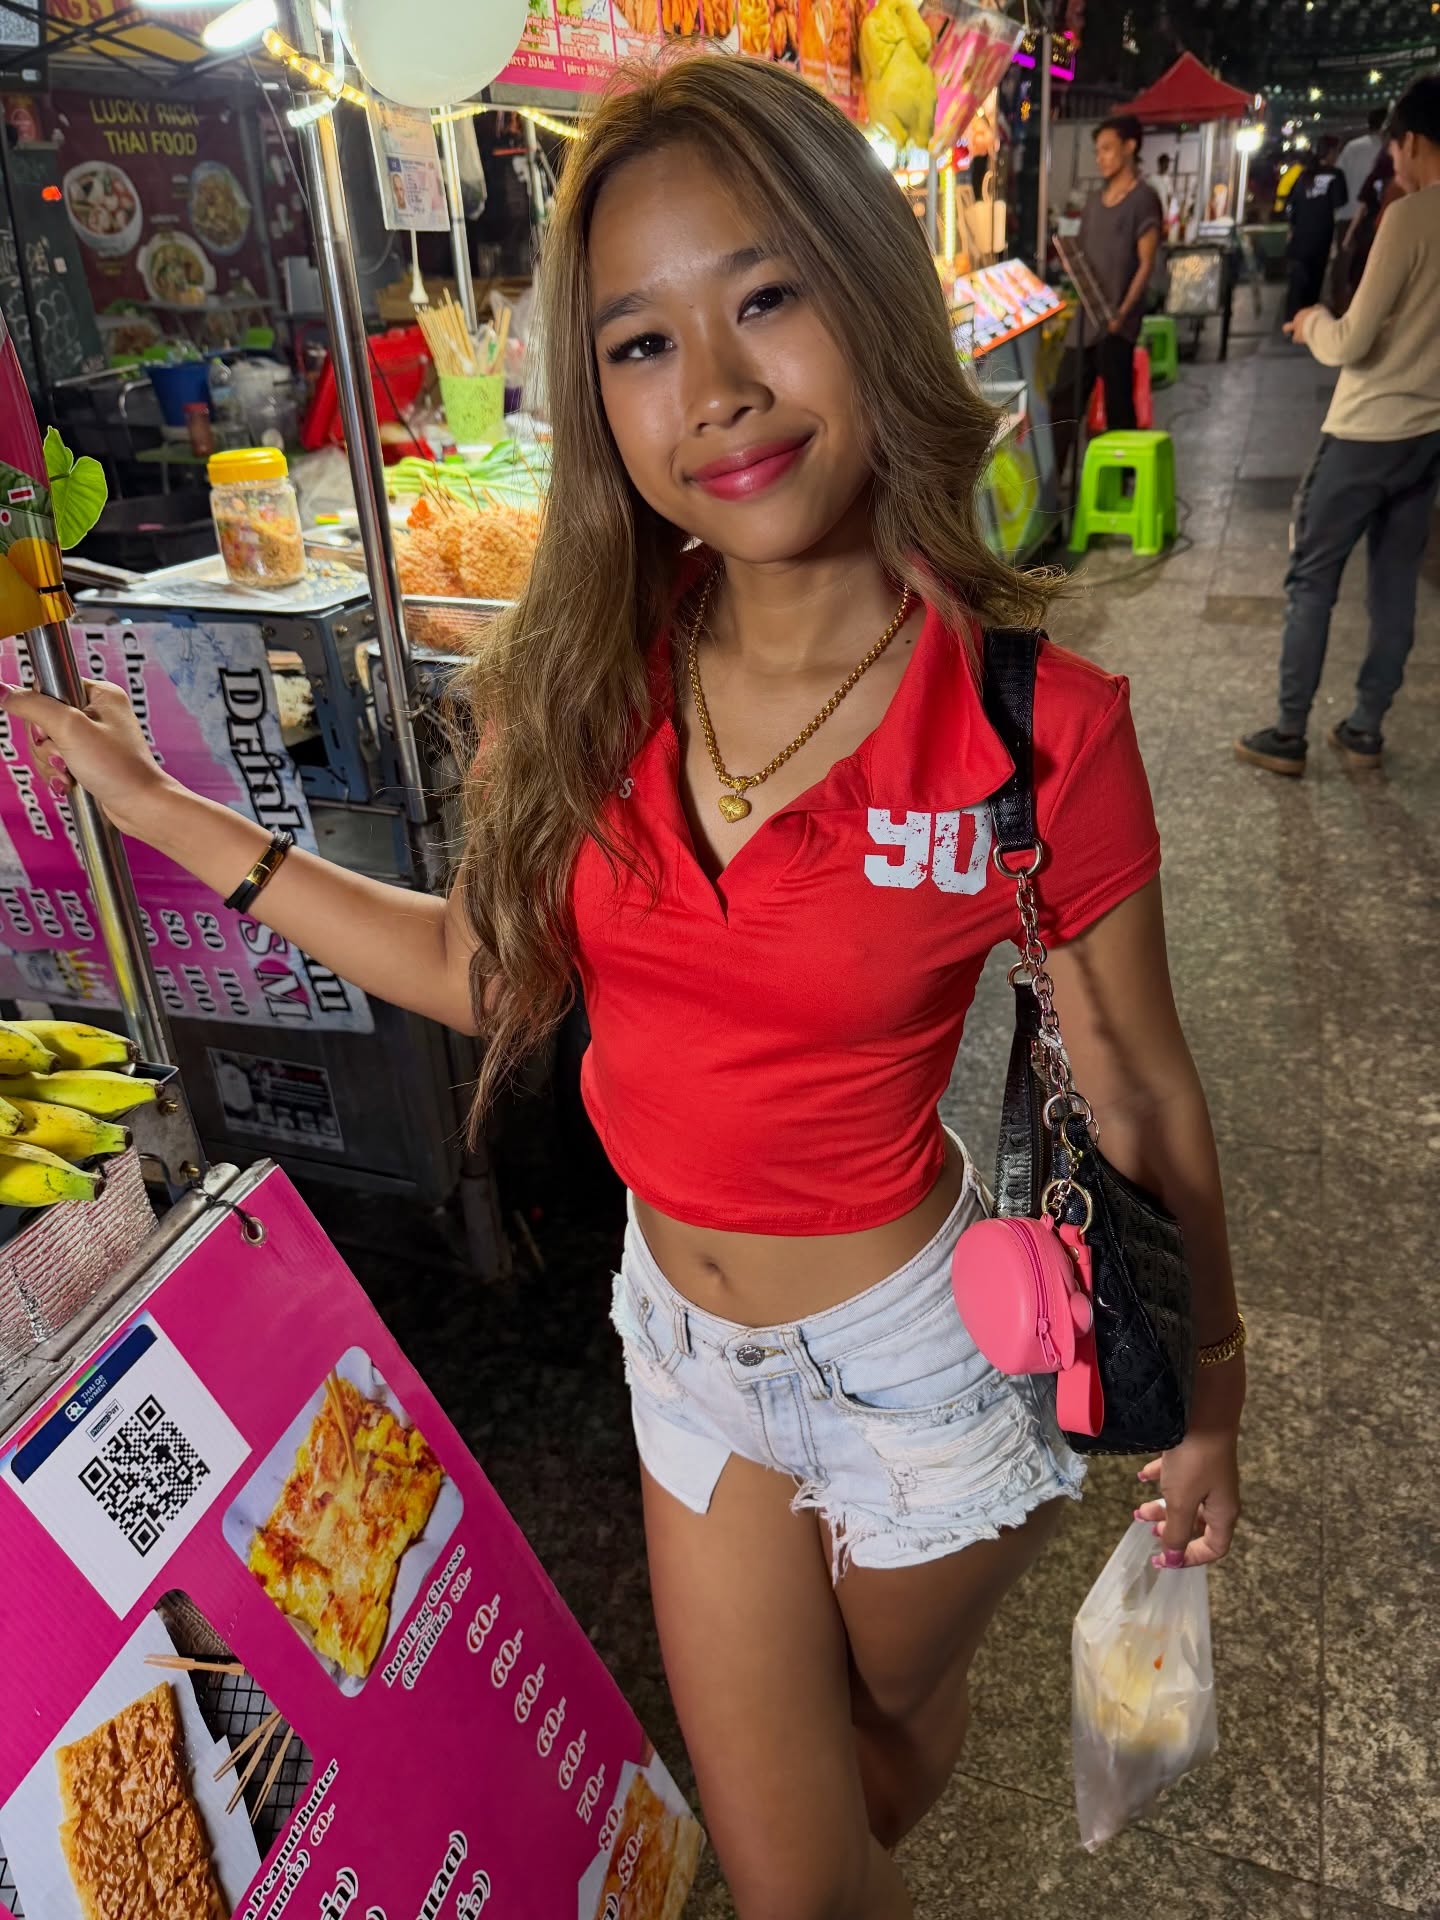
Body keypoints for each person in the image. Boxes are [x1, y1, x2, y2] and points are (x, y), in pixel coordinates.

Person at [8, 58, 1244, 1919]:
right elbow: (480, 968)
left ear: (870, 297)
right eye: (641, 343)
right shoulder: (585, 674)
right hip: (680, 1349)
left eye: (768, 297)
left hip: (922, 1374)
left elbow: (1137, 1086)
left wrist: (1215, 1396)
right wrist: (175, 815)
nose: (716, 390)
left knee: (881, 1749)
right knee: (790, 1871)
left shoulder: (1034, 726)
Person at [1238, 73, 1440, 777]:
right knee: (1394, 584)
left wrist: (1312, 322)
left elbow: (1352, 341)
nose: (1394, 162)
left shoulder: (1409, 218)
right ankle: (1365, 729)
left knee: (1313, 579)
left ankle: (1289, 732)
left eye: (1396, 149)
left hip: (1365, 432)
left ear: (1415, 141)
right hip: (1427, 437)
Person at [1051, 114, 1164, 487]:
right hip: (1086, 317)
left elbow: (1146, 264)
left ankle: (1121, 482)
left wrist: (1123, 313)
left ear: (1130, 147)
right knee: (1063, 398)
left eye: (1107, 149)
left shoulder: (1144, 199)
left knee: (1118, 405)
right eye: (1097, 151)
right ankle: (1051, 484)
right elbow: (1083, 255)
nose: (1100, 158)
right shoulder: (1094, 202)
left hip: (1117, 323)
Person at [1284, 135, 1347, 320]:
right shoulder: (1335, 175)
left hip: (1300, 237)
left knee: (1297, 283)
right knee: (1314, 281)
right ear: (1331, 153)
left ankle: (1292, 320)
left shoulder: (1304, 176)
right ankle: (1307, 321)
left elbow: (1291, 205)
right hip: (1321, 236)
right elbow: (1340, 201)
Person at [1337, 106, 1388, 228]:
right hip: (1375, 219)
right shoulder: (1388, 150)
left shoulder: (1351, 147)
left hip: (1347, 215)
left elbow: (1338, 178)